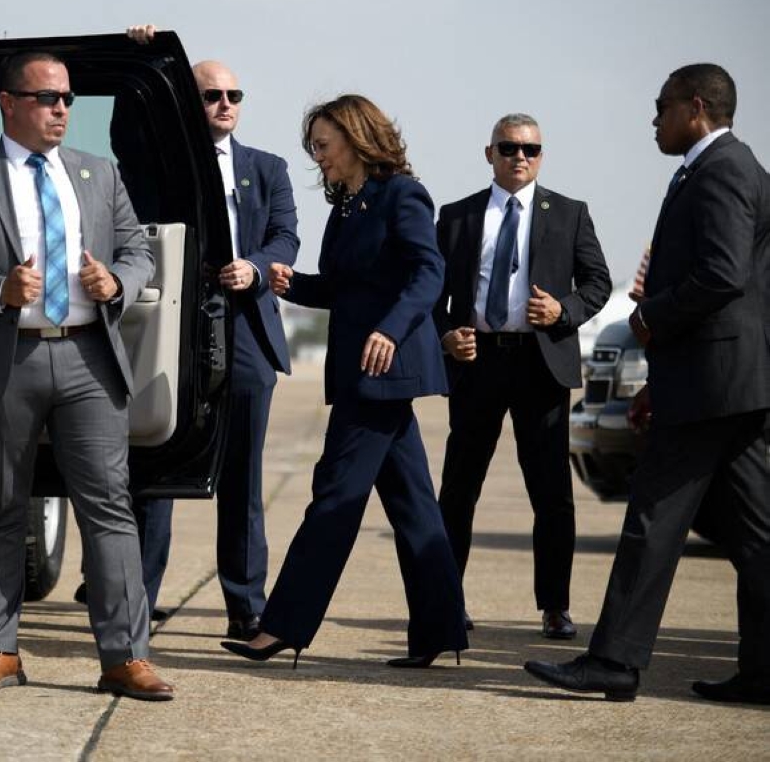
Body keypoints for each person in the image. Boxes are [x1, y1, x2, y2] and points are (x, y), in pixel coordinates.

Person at [0, 51, 174, 701]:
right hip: (7, 359)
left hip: (88, 358)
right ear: (9, 103)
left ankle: (126, 658)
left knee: (109, 508)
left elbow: (137, 249)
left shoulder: (98, 173)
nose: (61, 110)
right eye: (47, 98)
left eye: (67, 99)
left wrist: (117, 281)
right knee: (0, 506)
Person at [526, 63, 770, 704]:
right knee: (756, 533)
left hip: (713, 382)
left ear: (696, 107)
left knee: (653, 520)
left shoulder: (723, 170)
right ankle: (764, 670)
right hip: (733, 381)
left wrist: (650, 316)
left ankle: (613, 661)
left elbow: (723, 274)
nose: (653, 120)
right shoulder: (724, 167)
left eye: (662, 107)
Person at [222, 95, 467, 669]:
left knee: (334, 497)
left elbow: (429, 271)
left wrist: (391, 330)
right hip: (362, 372)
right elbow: (343, 288)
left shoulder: (401, 195)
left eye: (324, 145)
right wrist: (293, 284)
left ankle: (280, 626)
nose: (318, 157)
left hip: (383, 370)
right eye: (313, 147)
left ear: (357, 140)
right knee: (415, 508)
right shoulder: (347, 208)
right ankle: (440, 631)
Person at [110, 25, 299, 640]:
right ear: (188, 103)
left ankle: (245, 607)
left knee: (242, 477)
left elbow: (286, 237)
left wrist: (256, 269)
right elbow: (124, 131)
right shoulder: (156, 161)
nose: (225, 104)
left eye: (233, 96)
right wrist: (137, 59)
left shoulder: (267, 169)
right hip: (172, 326)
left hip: (245, 329)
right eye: (212, 95)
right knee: (155, 467)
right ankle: (137, 603)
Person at [432, 113, 611, 639]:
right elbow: (430, 292)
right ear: (489, 154)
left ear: (541, 156)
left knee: (551, 493)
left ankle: (555, 606)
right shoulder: (458, 216)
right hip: (477, 362)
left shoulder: (570, 213)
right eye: (509, 148)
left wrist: (563, 311)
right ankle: (446, 600)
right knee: (459, 488)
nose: (519, 158)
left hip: (541, 365)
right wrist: (446, 335)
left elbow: (597, 283)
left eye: (530, 150)